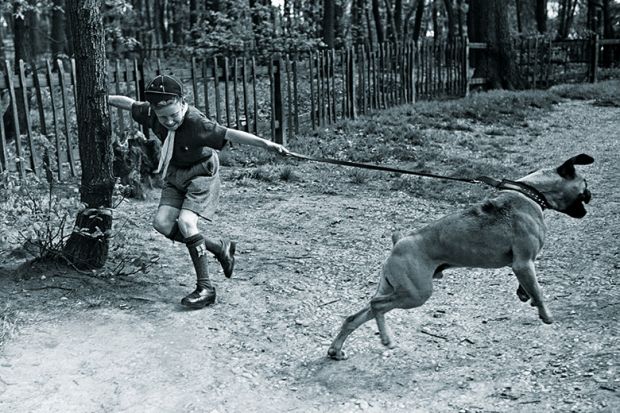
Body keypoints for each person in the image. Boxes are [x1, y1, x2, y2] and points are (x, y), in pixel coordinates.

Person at [109, 74, 289, 309]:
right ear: (154, 110)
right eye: (164, 118)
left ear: (182, 103)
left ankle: (206, 288)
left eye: (174, 115)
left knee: (186, 223)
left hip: (201, 173)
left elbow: (230, 134)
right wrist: (105, 97)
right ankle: (219, 248)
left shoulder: (196, 122)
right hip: (175, 171)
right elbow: (129, 103)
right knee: (162, 224)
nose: (170, 121)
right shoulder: (152, 113)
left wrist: (267, 144)